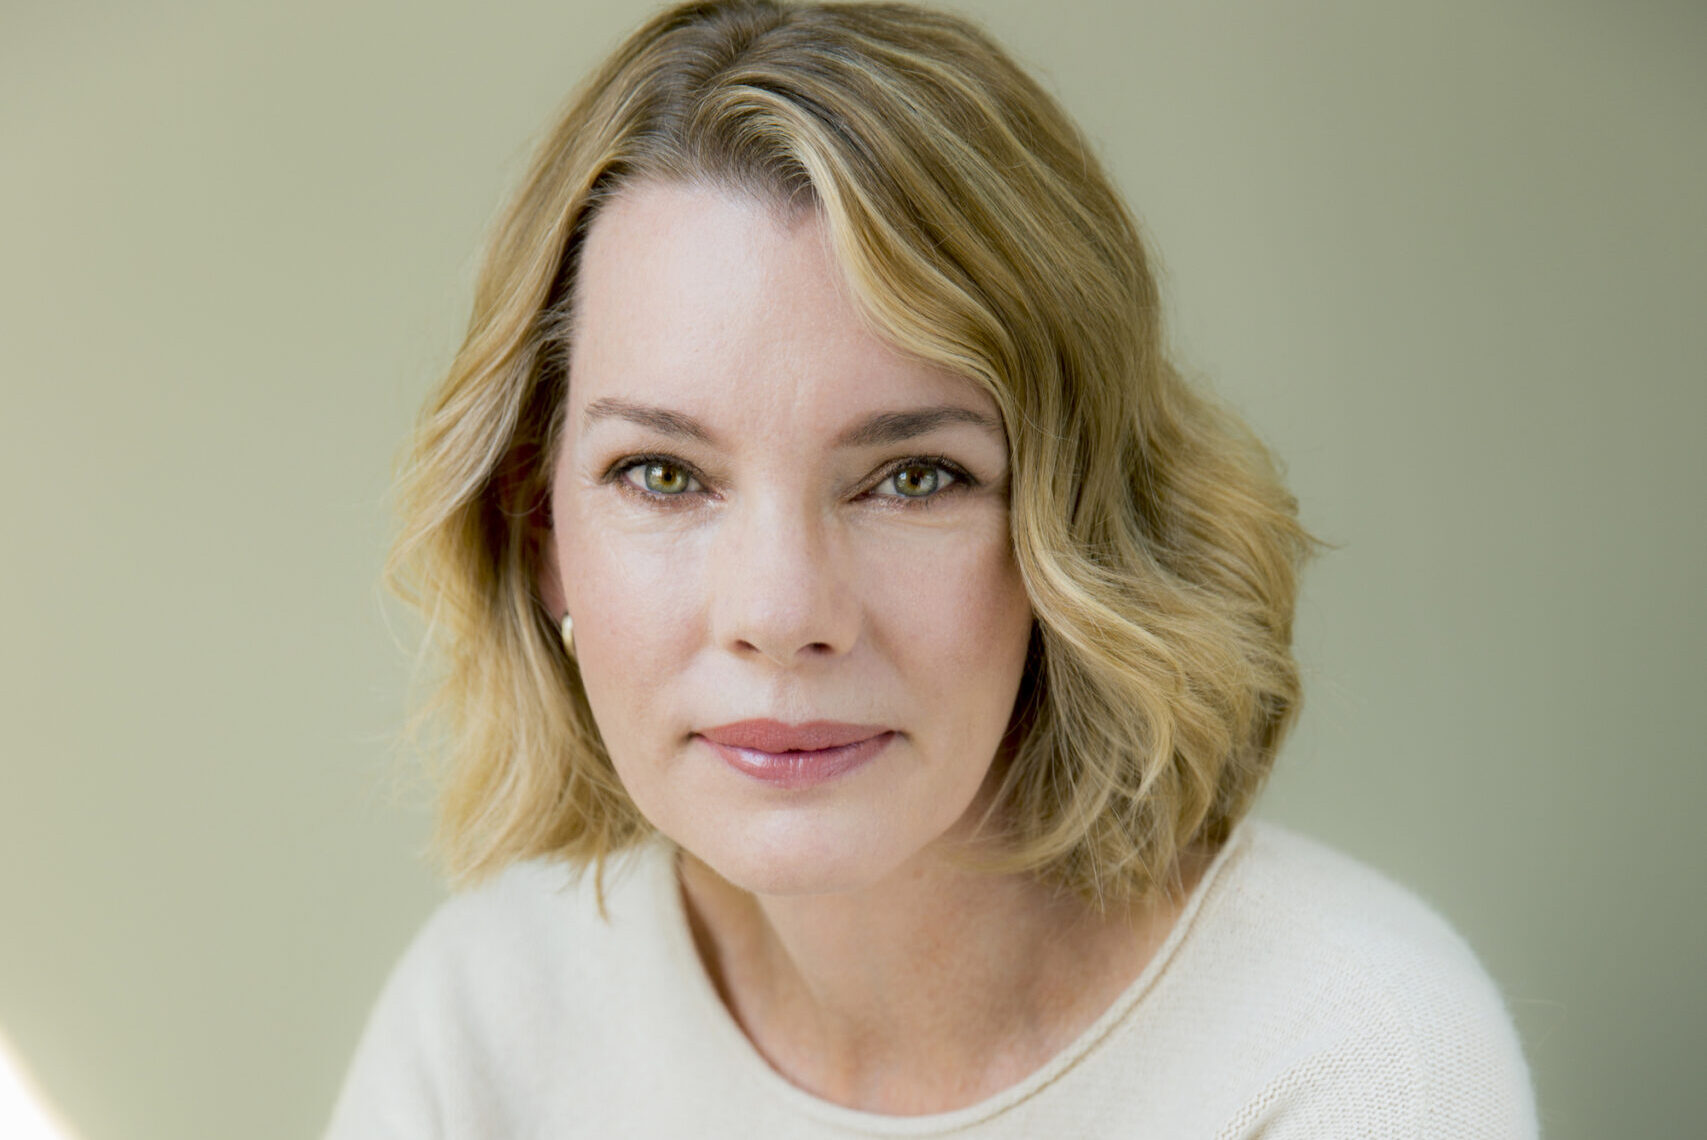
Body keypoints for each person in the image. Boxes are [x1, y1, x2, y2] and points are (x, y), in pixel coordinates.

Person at [325, 1, 1537, 1135]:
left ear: (1078, 531)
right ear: (541, 536)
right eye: (664, 474)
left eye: (914, 478)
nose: (781, 614)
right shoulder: (484, 1028)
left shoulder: (1355, 1056)